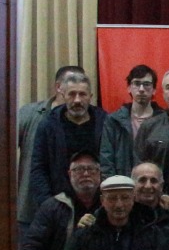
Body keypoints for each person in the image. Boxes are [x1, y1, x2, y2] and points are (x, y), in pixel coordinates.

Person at [18, 64, 84, 227]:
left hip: (75, 210)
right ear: (58, 87)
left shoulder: (89, 118)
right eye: (71, 81)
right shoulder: (29, 113)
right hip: (32, 209)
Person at [28, 73, 106, 209]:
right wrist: (48, 204)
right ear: (63, 95)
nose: (77, 100)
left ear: (91, 97)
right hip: (59, 203)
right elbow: (38, 168)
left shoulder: (106, 123)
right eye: (72, 94)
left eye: (82, 94)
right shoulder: (48, 125)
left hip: (100, 204)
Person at [100, 64, 160, 176]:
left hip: (154, 183)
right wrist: (114, 185)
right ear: (129, 88)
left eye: (146, 84)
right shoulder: (114, 121)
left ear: (154, 90)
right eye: (136, 83)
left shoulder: (165, 121)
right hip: (122, 183)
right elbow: (106, 160)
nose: (141, 89)